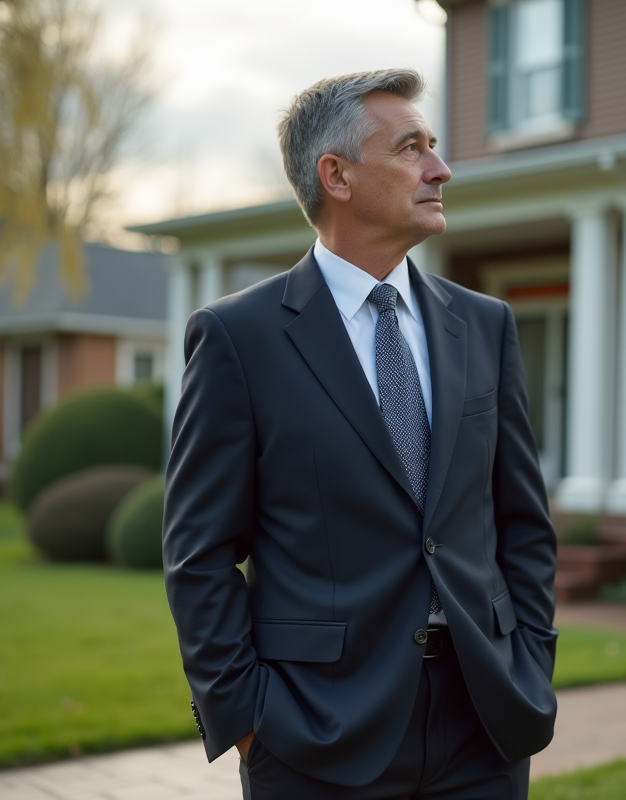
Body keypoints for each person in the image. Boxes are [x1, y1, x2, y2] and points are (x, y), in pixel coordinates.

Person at [163, 68, 557, 800]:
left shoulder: (485, 325)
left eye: (434, 146)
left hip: (485, 726)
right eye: (412, 148)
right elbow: (199, 554)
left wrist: (531, 664)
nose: (441, 168)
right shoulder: (237, 338)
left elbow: (521, 523)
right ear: (336, 175)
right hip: (315, 737)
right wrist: (246, 719)